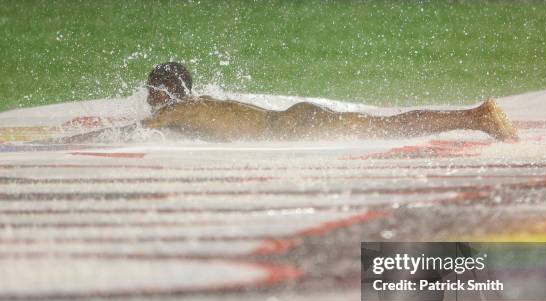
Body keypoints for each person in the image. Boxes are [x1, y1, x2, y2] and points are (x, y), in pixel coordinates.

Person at [63, 61, 519, 143]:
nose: (148, 99)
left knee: (388, 127)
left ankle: (477, 117)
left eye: (151, 91)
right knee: (387, 125)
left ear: (165, 92)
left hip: (295, 127)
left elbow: (130, 133)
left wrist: (63, 143)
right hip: (295, 120)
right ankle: (474, 117)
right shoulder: (197, 104)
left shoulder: (177, 109)